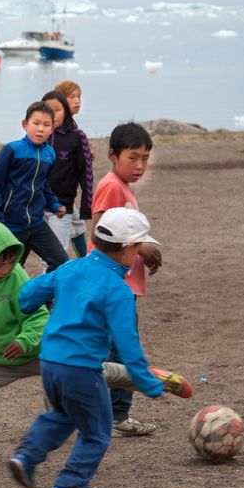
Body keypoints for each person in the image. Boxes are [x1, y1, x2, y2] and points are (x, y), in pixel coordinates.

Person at [0, 219, 190, 477]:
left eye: (10, 261)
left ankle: (151, 377)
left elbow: (37, 315)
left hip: (41, 352)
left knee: (95, 375)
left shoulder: (15, 274)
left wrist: (24, 340)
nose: (6, 268)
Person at [7, 208, 169, 488]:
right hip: (81, 369)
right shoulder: (118, 290)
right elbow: (128, 345)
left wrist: (30, 307)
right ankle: (70, 485)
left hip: (50, 363)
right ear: (126, 249)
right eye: (137, 248)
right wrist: (147, 383)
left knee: (62, 415)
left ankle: (26, 457)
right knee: (96, 431)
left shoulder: (70, 268)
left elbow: (28, 294)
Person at [90, 122, 163, 436]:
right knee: (116, 349)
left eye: (145, 158)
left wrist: (144, 249)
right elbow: (100, 231)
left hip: (122, 283)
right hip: (113, 284)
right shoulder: (111, 186)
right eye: (133, 157)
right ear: (112, 155)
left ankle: (113, 413)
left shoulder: (123, 188)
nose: (140, 165)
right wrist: (142, 247)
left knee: (115, 347)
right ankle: (114, 415)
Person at [0, 101, 69, 274]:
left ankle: (45, 298)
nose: (40, 129)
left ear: (52, 129)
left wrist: (54, 205)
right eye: (36, 123)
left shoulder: (50, 154)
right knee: (9, 271)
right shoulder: (12, 150)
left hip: (37, 224)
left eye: (46, 125)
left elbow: (44, 185)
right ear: (25, 125)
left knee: (61, 262)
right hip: (10, 225)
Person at [40, 90, 92, 261]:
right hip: (36, 205)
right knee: (42, 255)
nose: (53, 115)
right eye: (48, 110)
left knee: (58, 254)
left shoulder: (77, 137)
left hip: (62, 206)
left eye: (58, 110)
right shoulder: (38, 136)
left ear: (66, 111)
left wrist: (87, 205)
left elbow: (86, 172)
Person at [54, 80, 94, 258]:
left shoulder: (74, 130)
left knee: (77, 227)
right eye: (72, 97)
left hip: (65, 196)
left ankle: (84, 262)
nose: (77, 101)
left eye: (79, 97)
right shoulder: (51, 129)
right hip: (53, 196)